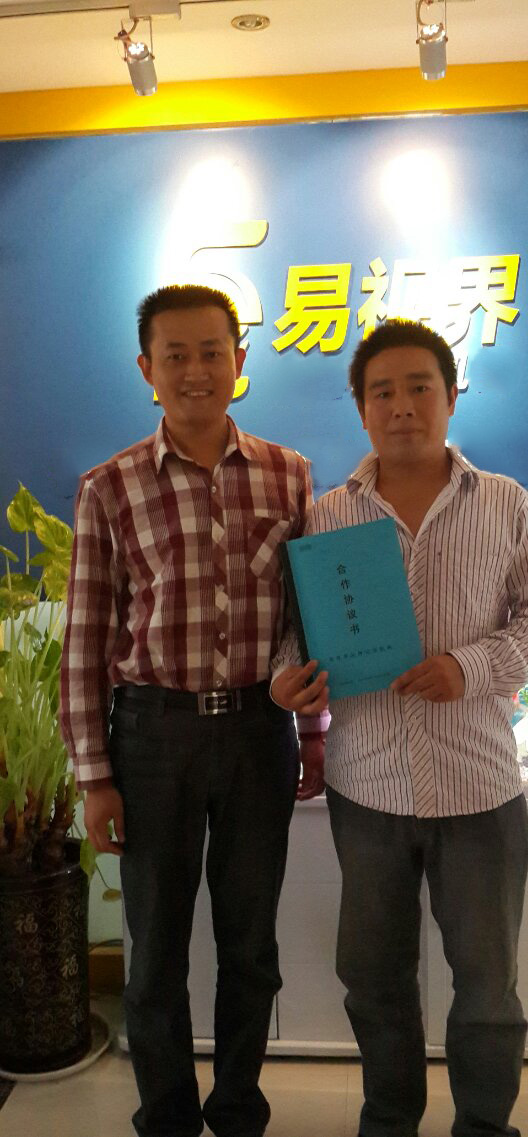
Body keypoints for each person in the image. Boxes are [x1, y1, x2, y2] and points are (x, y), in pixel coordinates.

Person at [271, 319, 528, 1137]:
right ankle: (388, 1118)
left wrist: (468, 667)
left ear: (450, 396)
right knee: (372, 977)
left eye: (418, 388)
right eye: (382, 392)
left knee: (487, 986)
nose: (401, 405)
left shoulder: (504, 502)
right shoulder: (327, 516)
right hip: (366, 788)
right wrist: (288, 681)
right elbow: (297, 634)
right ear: (361, 408)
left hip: (480, 789)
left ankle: (484, 1125)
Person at [60, 284, 323, 1137]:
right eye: (175, 355)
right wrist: (94, 777)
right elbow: (85, 640)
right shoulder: (108, 487)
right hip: (151, 737)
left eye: (213, 352)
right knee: (155, 950)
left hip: (256, 732)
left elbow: (304, 620)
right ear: (148, 369)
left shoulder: (289, 474)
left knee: (250, 945)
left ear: (240, 360)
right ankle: (167, 1116)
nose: (196, 370)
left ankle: (239, 1109)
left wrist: (310, 729)